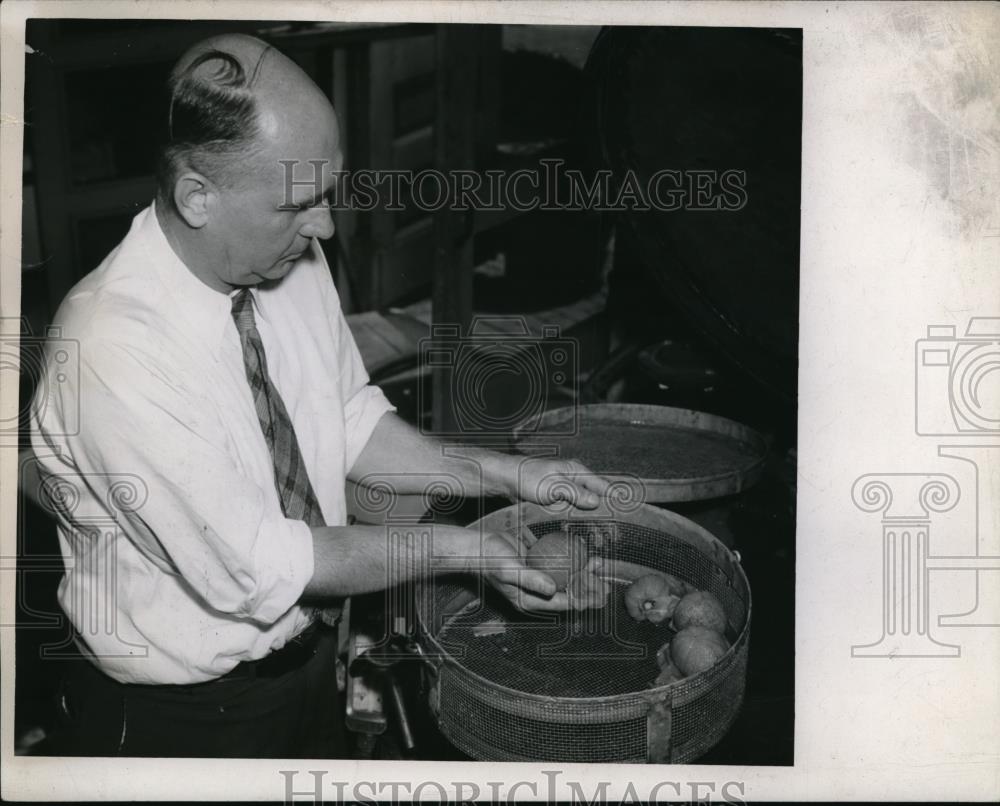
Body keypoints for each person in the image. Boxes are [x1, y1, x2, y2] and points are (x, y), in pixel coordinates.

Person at [28, 33, 609, 759]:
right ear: (196, 197)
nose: (325, 227)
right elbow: (263, 568)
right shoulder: (114, 349)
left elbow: (346, 416)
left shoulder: (286, 260)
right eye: (298, 204)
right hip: (180, 718)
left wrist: (502, 473)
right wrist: (469, 550)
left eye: (327, 192)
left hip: (311, 666)